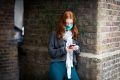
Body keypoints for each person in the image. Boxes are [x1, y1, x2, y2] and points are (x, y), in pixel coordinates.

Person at [48, 10, 80, 80]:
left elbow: (78, 52)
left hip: (70, 65)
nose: (69, 25)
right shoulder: (54, 34)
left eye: (71, 23)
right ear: (62, 23)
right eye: (67, 23)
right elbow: (50, 52)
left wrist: (76, 48)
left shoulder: (74, 34)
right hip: (57, 64)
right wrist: (64, 49)